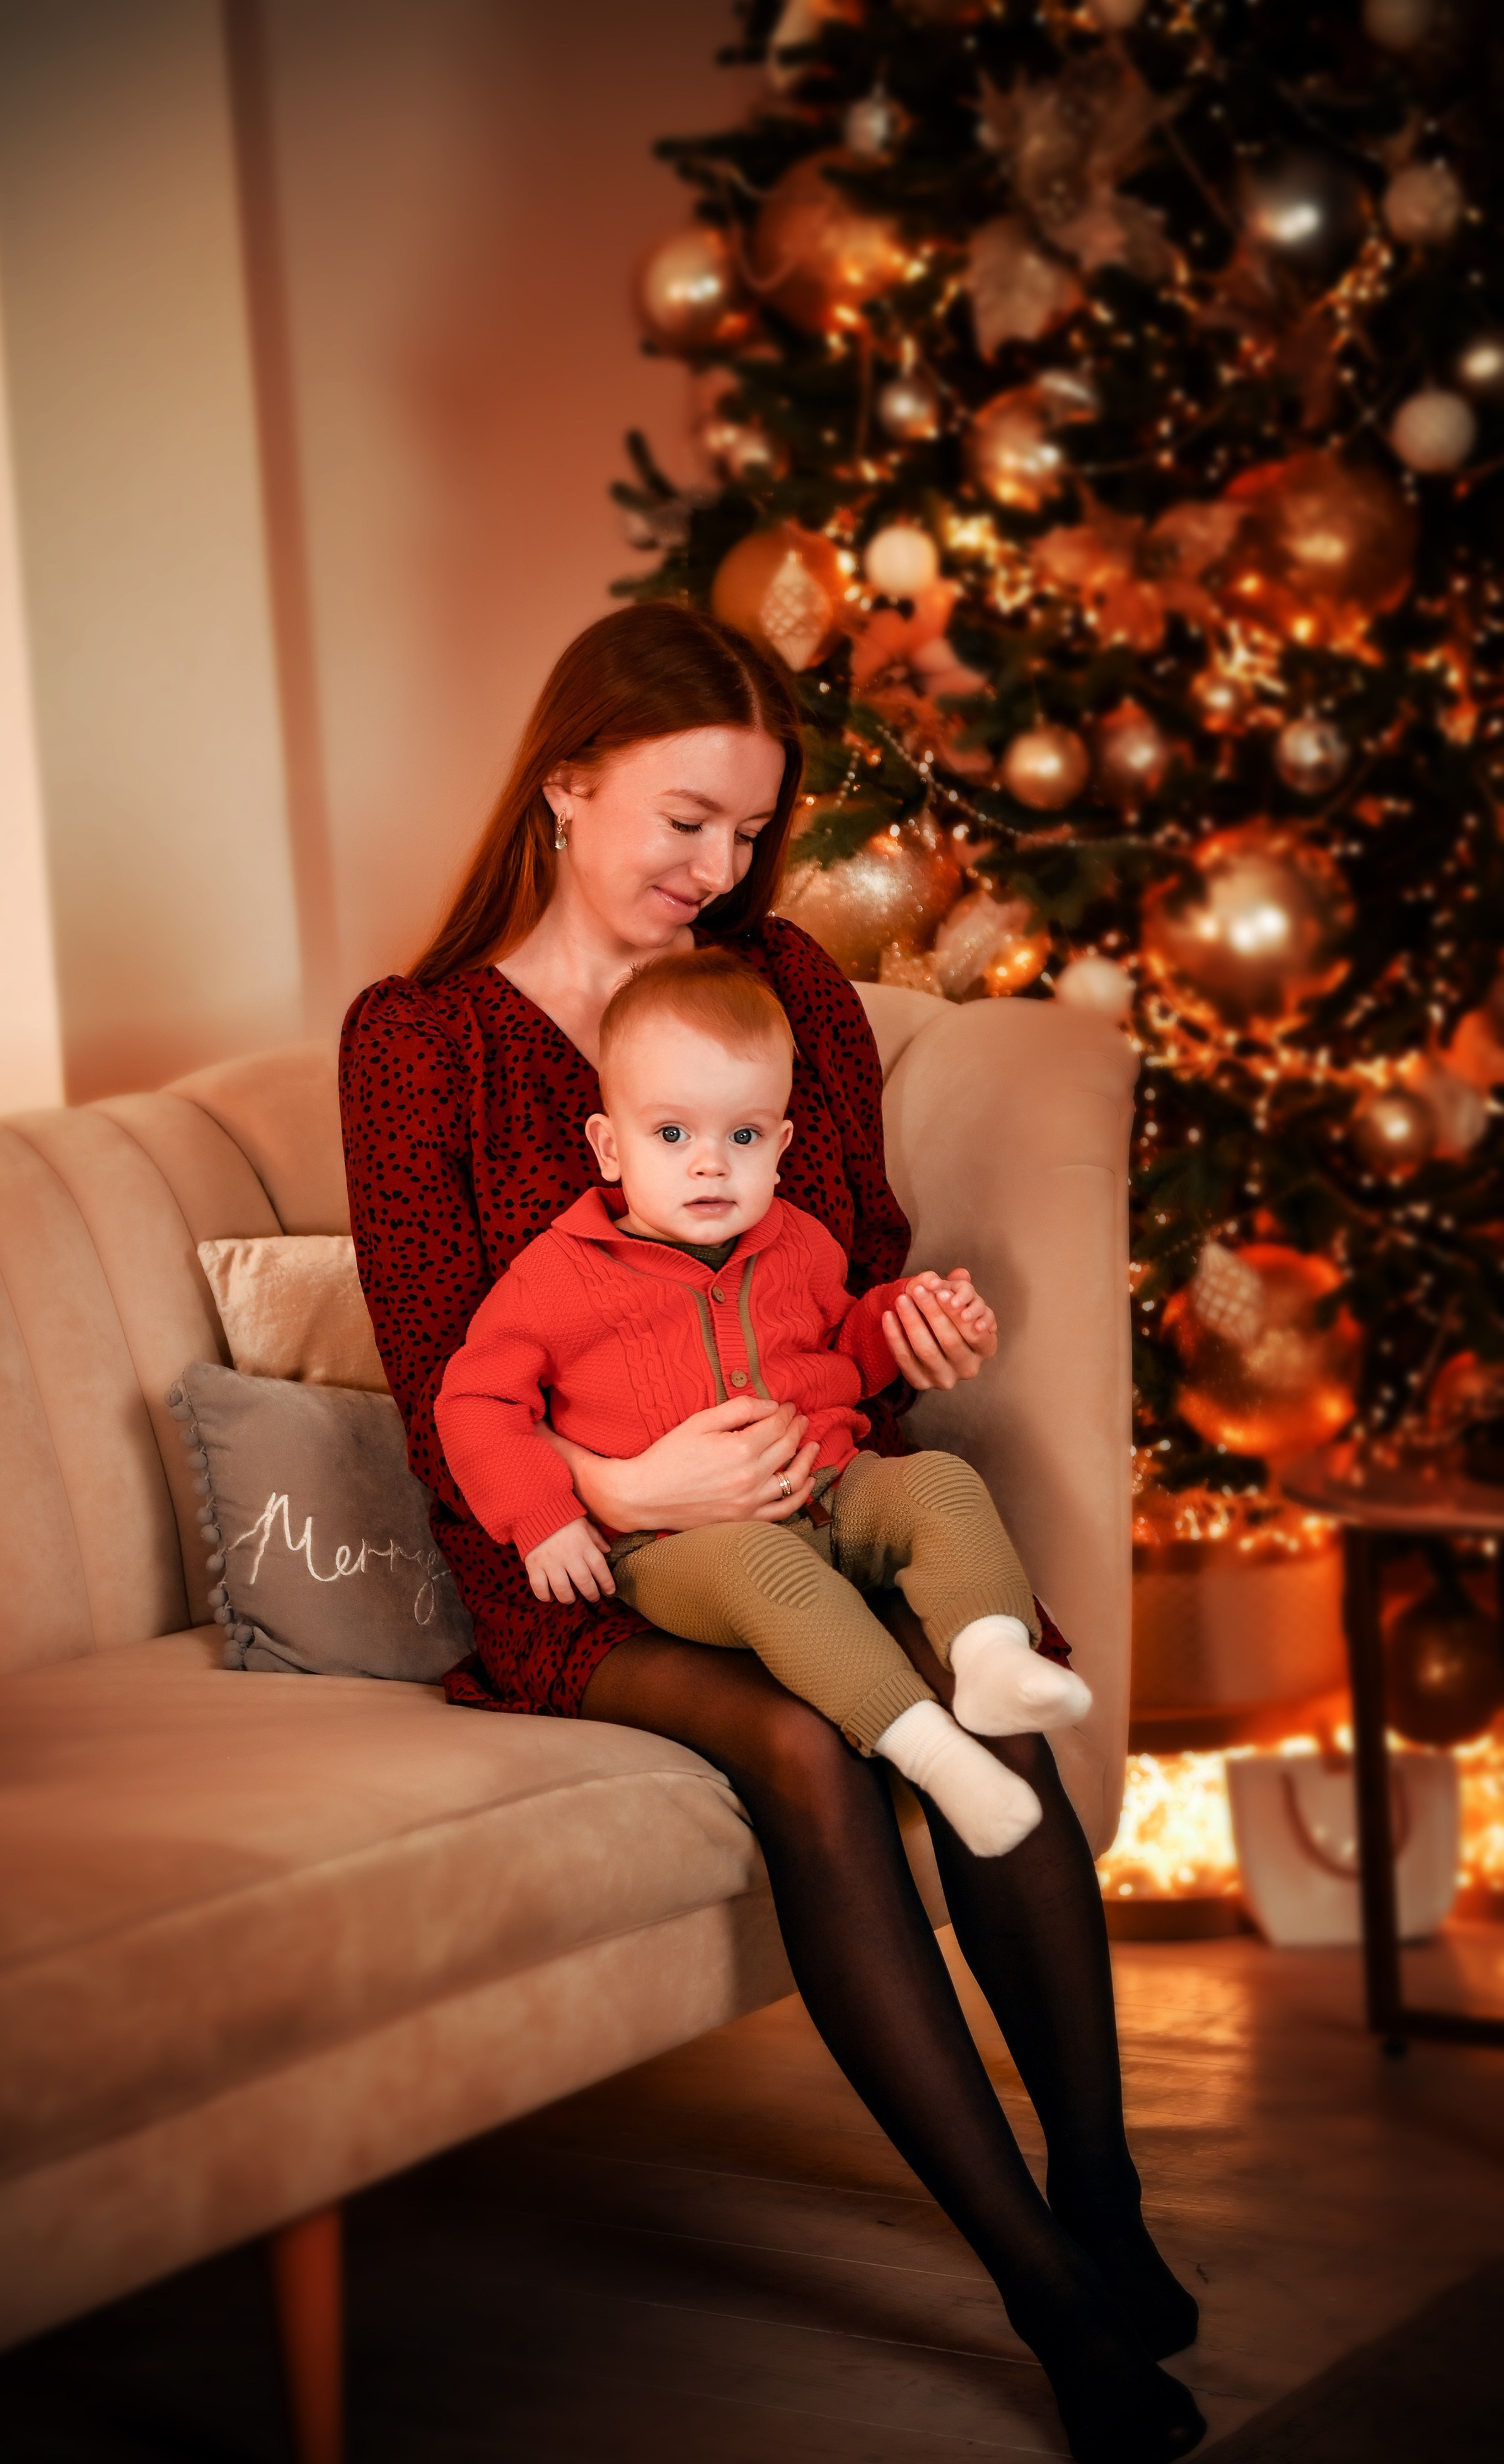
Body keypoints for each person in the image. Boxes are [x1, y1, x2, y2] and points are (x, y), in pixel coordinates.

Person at [340, 603, 1203, 2464]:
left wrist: (913, 1336)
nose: (718, 870)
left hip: (808, 1491)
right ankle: (1046, 2299)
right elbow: (437, 1380)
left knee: (982, 1677)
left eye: (748, 830)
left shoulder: (786, 987)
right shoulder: (422, 1043)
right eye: (684, 822)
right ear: (565, 783)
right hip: (581, 1563)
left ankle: (1103, 2191)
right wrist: (627, 1492)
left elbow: (846, 1276)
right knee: (810, 1748)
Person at [436, 946, 1094, 1859]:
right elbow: (473, 1401)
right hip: (682, 1549)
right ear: (610, 1147)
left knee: (941, 1481)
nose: (710, 1166)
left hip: (834, 1491)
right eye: (672, 1135)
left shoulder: (801, 1243)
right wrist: (545, 1518)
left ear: (781, 1148)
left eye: (742, 1137)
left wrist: (911, 1316)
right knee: (765, 1568)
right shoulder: (556, 1275)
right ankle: (931, 1751)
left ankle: (990, 1658)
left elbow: (848, 1355)